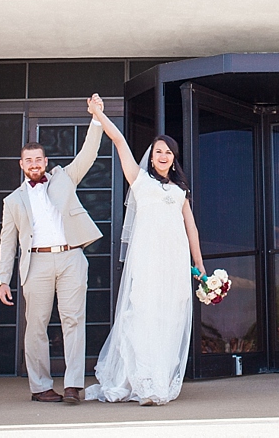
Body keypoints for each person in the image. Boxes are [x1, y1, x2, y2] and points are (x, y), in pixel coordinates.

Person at [85, 98, 206, 406]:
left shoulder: (180, 190)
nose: (163, 155)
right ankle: (141, 381)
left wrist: (199, 265)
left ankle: (160, 379)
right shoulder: (139, 181)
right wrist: (99, 114)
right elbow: (119, 140)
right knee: (143, 316)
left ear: (174, 158)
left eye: (168, 152)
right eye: (158, 151)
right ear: (151, 158)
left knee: (170, 318)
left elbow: (191, 229)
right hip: (148, 261)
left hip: (175, 263)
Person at [0, 94, 105, 404]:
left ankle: (73, 385)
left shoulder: (64, 178)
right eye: (28, 160)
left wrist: (96, 117)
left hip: (70, 257)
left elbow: (88, 154)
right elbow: (8, 241)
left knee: (73, 321)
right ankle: (40, 387)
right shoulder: (13, 201)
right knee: (36, 326)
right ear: (22, 165)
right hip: (37, 264)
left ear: (45, 161)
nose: (34, 164)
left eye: (38, 160)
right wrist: (3, 278)